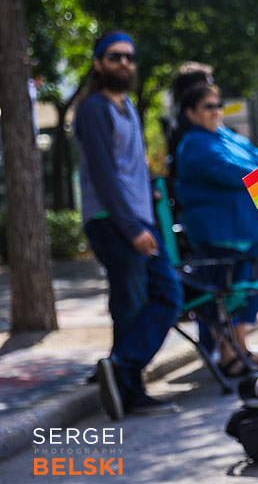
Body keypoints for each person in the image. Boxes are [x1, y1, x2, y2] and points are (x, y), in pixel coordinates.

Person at [74, 30, 183, 420]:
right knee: (131, 302)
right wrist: (132, 226)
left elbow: (128, 170)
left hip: (138, 219)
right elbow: (104, 176)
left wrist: (147, 205)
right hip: (112, 222)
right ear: (99, 63)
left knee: (165, 296)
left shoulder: (128, 109)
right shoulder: (93, 109)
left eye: (130, 58)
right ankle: (128, 384)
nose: (125, 63)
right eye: (115, 57)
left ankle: (121, 370)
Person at [174, 72, 258, 375]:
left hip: (250, 234)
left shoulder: (228, 135)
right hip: (221, 236)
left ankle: (241, 346)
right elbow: (231, 170)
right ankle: (228, 352)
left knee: (256, 284)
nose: (216, 111)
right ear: (191, 112)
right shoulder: (193, 143)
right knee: (235, 286)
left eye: (218, 105)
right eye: (208, 106)